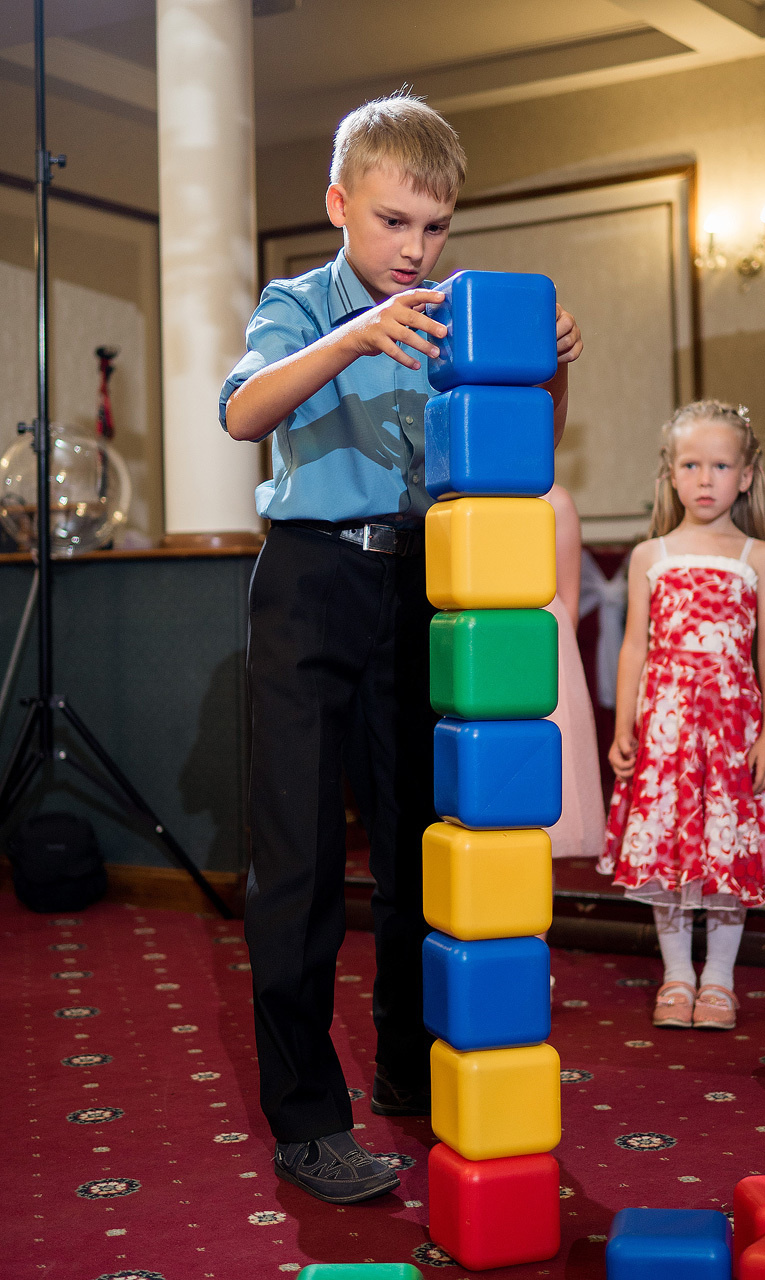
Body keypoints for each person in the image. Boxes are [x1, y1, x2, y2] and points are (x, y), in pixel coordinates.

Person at [219, 93, 583, 1205]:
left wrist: (546, 366)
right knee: (299, 866)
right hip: (307, 579)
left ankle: (408, 1071)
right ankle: (305, 1122)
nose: (412, 250)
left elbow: (525, 442)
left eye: (432, 227)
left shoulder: (447, 314)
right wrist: (352, 335)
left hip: (423, 582)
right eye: (390, 223)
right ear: (339, 205)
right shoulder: (300, 302)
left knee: (423, 851)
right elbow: (240, 414)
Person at [597, 401, 765, 1032]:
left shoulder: (757, 556)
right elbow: (636, 644)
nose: (706, 478)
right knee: (670, 850)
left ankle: (718, 980)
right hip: (667, 730)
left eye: (720, 465)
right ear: (672, 473)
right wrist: (623, 726)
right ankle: (677, 976)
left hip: (732, 731)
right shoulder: (650, 555)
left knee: (724, 849)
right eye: (692, 464)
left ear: (744, 476)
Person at [543, 483, 605, 861]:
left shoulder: (556, 501)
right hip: (477, 648)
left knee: (539, 816)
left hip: (542, 654)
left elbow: (568, 604)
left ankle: (535, 921)